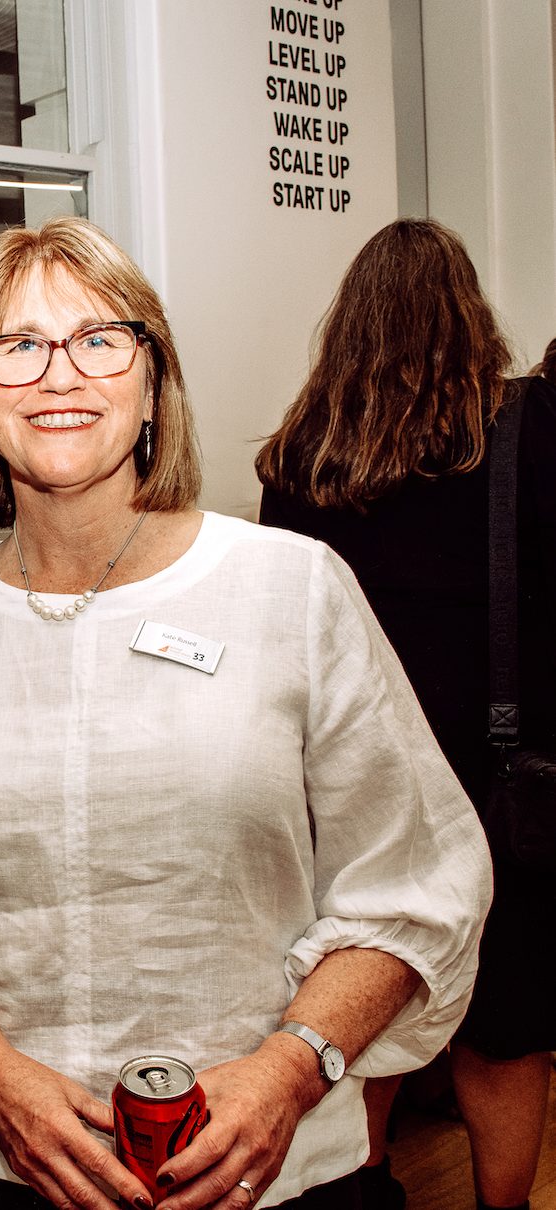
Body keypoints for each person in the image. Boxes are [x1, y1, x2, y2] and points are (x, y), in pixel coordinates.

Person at [0, 215, 490, 1210]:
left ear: (153, 379)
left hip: (258, 1170)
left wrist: (290, 1066)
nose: (58, 374)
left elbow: (418, 875)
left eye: (99, 339)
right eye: (19, 345)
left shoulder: (289, 588)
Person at [257, 218, 554, 1210]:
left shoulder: (297, 461)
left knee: (370, 1012)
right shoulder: (526, 432)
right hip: (500, 786)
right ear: (470, 315)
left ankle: (364, 1189)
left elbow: (280, 641)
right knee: (502, 1032)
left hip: (356, 792)